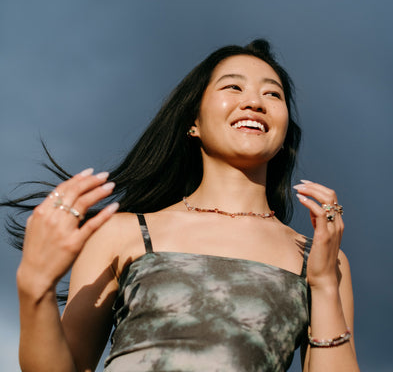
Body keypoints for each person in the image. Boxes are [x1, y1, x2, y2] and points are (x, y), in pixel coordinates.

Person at [6, 39, 360, 371]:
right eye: (233, 87)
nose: (254, 102)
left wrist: (326, 284)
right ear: (194, 123)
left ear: (283, 135)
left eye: (273, 94)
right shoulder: (122, 232)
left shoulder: (320, 259)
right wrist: (35, 286)